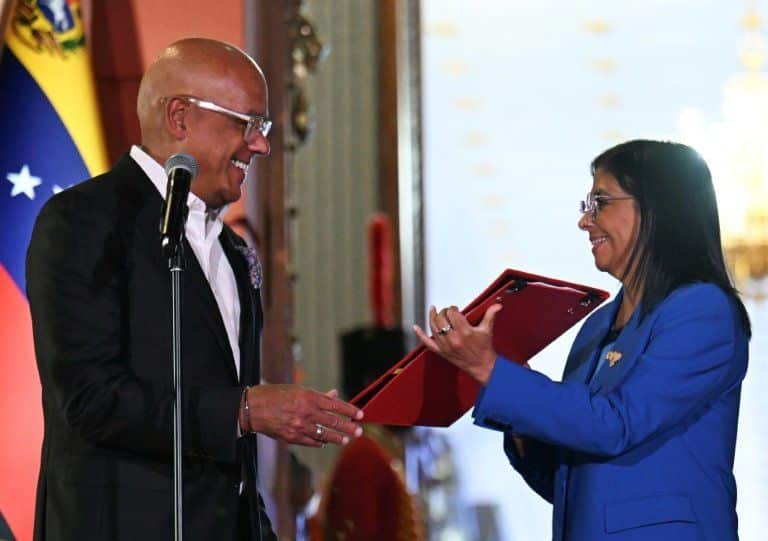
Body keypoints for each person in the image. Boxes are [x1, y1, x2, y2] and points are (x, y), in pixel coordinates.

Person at [26, 38, 363, 541]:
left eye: (264, 128)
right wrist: (244, 409)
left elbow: (236, 470)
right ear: (180, 117)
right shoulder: (83, 222)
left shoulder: (232, 250)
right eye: (247, 123)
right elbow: (90, 400)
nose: (261, 145)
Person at [415, 140, 751, 541]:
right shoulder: (597, 325)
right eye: (587, 205)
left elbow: (615, 425)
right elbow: (566, 484)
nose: (585, 222)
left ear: (656, 208)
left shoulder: (702, 309)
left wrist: (493, 371)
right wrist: (512, 393)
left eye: (601, 203)